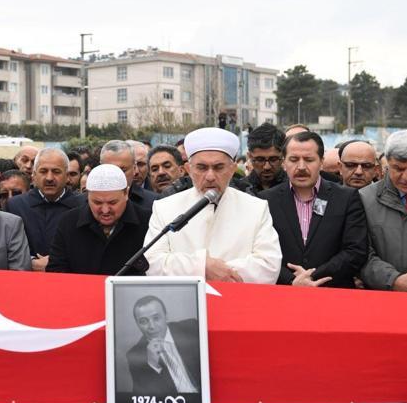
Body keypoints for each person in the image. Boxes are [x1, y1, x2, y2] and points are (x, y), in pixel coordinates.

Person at [144, 128, 281, 284]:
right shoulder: (164, 208)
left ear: (232, 169)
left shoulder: (256, 208)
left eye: (218, 167)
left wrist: (218, 271)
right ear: (188, 169)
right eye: (201, 168)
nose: (210, 176)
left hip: (236, 297)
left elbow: (269, 265)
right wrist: (201, 267)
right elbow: (152, 262)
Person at [261, 131, 368, 288]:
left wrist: (312, 276)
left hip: (334, 291)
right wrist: (291, 280)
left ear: (321, 162)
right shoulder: (266, 200)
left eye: (309, 160)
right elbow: (260, 251)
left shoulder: (346, 198)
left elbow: (355, 251)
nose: (301, 167)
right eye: (294, 160)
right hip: (283, 292)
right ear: (284, 163)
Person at [47, 164, 151, 275]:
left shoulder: (148, 222)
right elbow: (56, 271)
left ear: (126, 193)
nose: (105, 210)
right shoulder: (68, 222)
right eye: (97, 203)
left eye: (112, 203)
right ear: (87, 196)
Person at [4, 147, 82, 271]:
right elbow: (6, 248)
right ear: (34, 175)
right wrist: (30, 262)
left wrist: (56, 263)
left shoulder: (82, 206)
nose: (49, 178)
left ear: (67, 176)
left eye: (56, 172)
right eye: (43, 171)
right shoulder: (16, 205)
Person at [359, 130, 407, 291]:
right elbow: (360, 252)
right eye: (398, 168)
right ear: (386, 163)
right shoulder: (364, 199)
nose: (406, 177)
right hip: (383, 295)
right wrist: (393, 279)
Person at [126, 296, 200, 396]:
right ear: (137, 324)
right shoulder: (134, 355)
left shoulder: (192, 327)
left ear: (166, 316)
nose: (152, 326)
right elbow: (142, 398)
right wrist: (152, 365)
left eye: (156, 318)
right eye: (143, 321)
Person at [100, 140, 161, 211]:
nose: (117, 176)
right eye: (111, 170)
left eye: (123, 170)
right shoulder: (88, 201)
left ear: (134, 169)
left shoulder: (154, 203)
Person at [245, 122, 287, 195]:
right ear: (250, 156)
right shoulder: (239, 189)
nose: (267, 167)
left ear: (283, 155)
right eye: (260, 160)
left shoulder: (295, 188)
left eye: (273, 159)